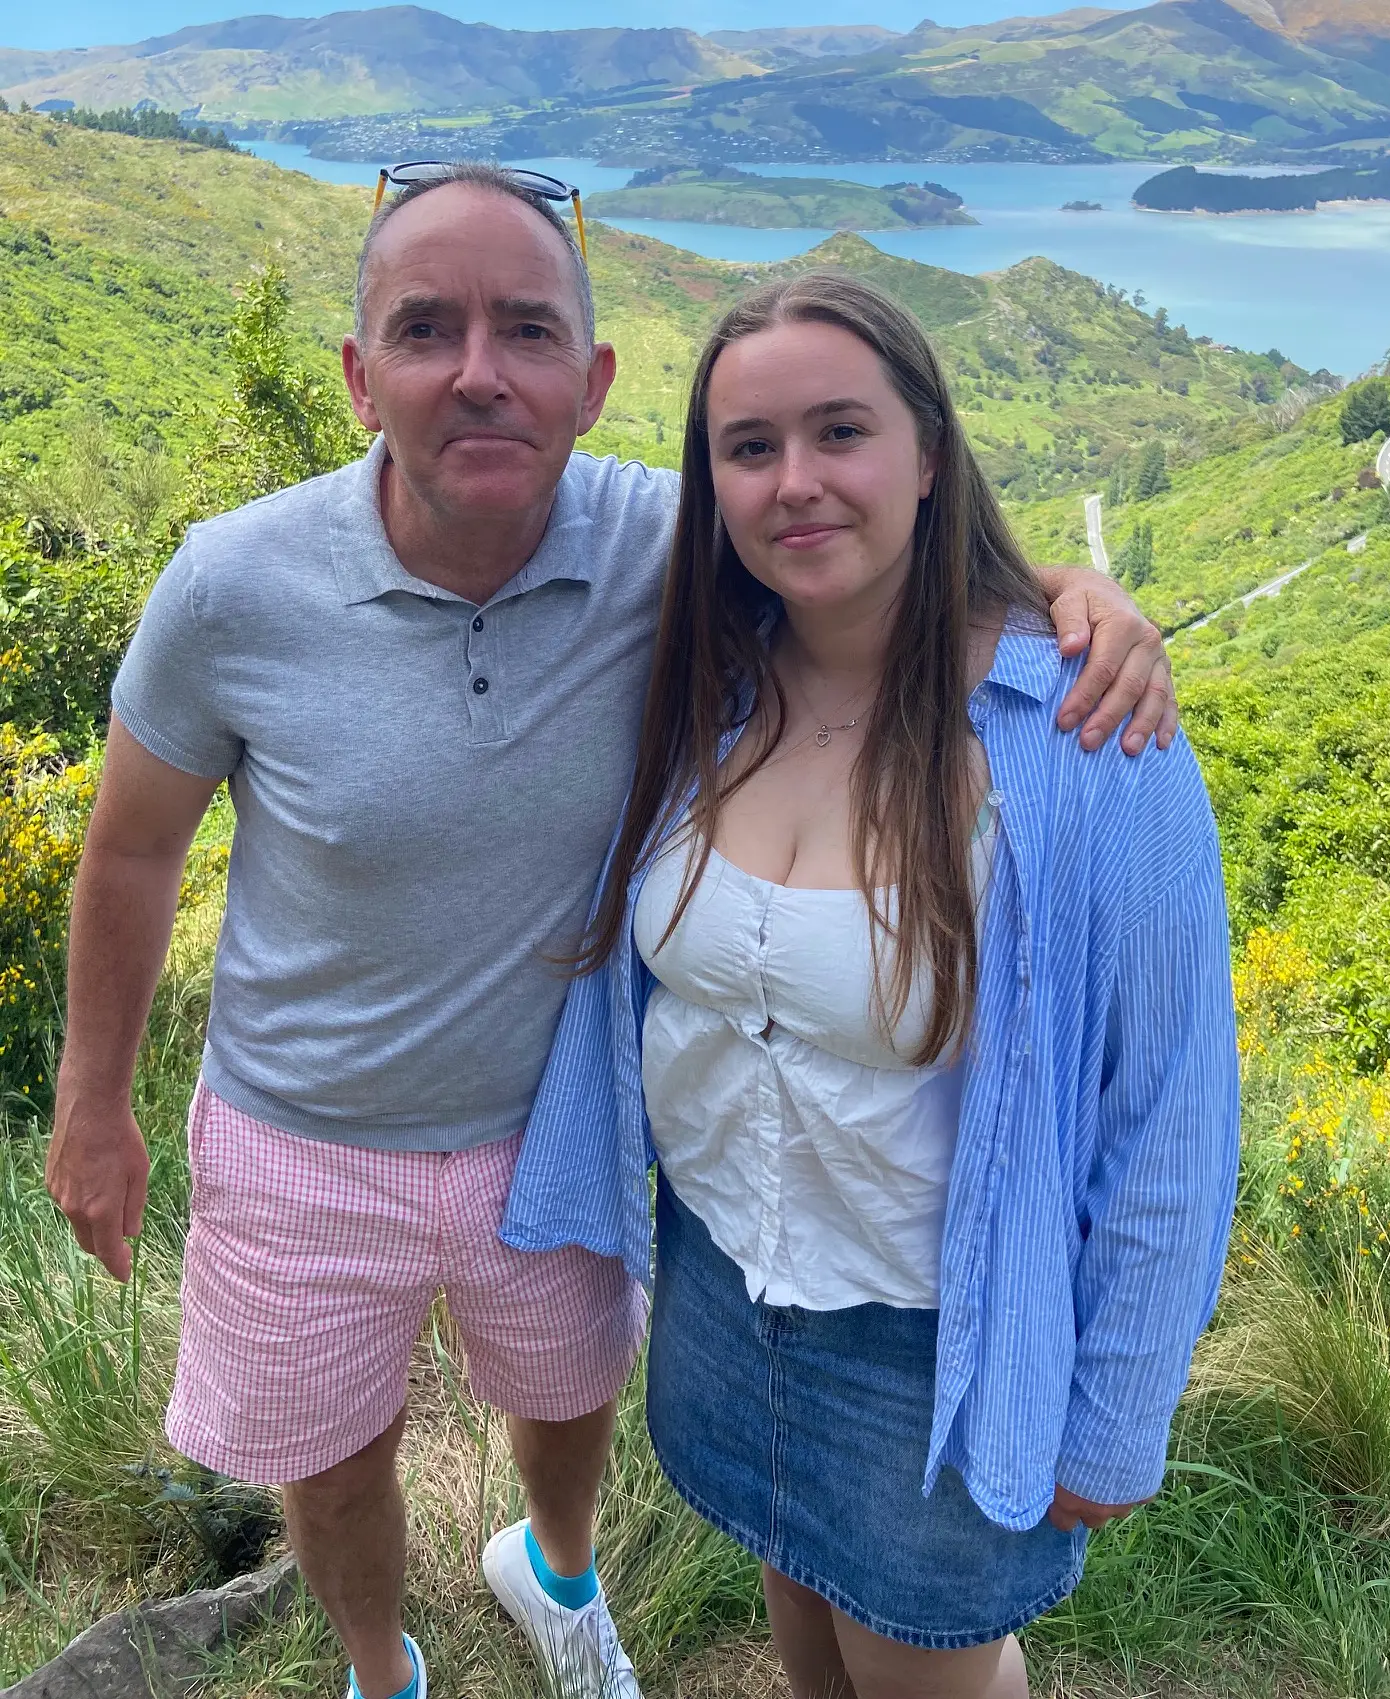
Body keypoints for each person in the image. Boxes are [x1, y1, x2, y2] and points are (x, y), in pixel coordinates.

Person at [44, 163, 1179, 1699]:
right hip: (316, 1134)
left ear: (592, 384)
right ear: (358, 372)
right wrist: (91, 1100)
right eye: (426, 328)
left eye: (524, 330)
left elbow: (871, 546)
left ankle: (560, 1577)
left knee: (565, 1392)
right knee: (327, 1449)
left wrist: (1070, 596)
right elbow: (127, 848)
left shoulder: (673, 549)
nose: (476, 371)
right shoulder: (236, 586)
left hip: (548, 1128)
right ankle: (384, 1667)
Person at [504, 270, 1240, 1699]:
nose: (796, 483)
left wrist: (1113, 1415)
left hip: (932, 1350)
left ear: (928, 455)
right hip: (724, 1292)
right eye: (750, 446)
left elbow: (1171, 1109)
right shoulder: (703, 686)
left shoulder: (1079, 737)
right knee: (805, 1618)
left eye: (841, 431)